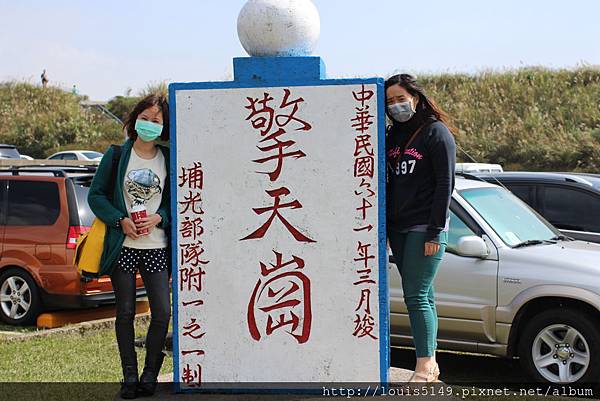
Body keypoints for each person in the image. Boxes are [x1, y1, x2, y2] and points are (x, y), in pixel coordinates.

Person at [88, 94, 171, 399]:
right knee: (124, 313)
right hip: (123, 246)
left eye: (156, 120)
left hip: (155, 246)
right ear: (135, 119)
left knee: (162, 312)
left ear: (163, 128)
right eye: (145, 118)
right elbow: (96, 196)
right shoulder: (115, 155)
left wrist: (159, 217)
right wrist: (119, 219)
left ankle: (150, 373)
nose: (149, 124)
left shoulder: (168, 158)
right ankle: (129, 377)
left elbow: (173, 202)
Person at [385, 74, 456, 383]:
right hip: (398, 228)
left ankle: (424, 365)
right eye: (389, 102)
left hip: (424, 227)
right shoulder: (392, 136)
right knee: (424, 295)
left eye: (400, 98)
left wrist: (434, 231)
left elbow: (445, 184)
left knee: (415, 296)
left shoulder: (436, 133)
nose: (396, 106)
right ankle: (432, 361)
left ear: (415, 97)